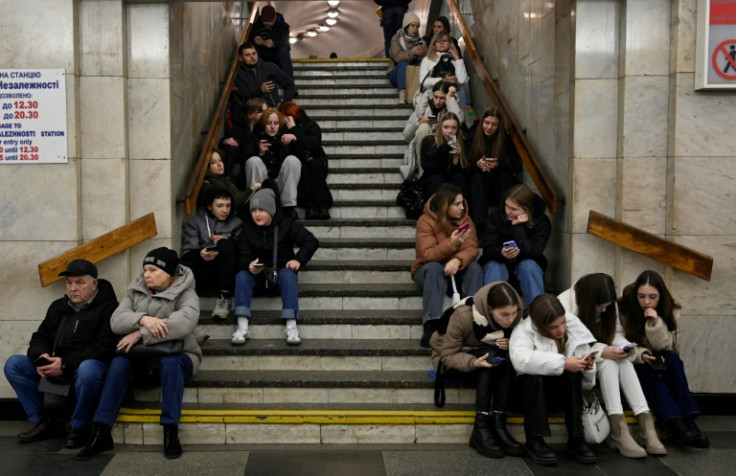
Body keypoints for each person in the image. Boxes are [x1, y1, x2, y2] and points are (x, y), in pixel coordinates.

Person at [76, 248, 202, 460]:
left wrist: (139, 334)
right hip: (142, 359)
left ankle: (170, 432)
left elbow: (183, 324)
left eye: (153, 270)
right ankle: (101, 431)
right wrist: (144, 319)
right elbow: (116, 322)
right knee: (119, 363)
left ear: (168, 273)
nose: (146, 275)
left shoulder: (186, 293)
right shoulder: (136, 290)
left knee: (171, 363)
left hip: (182, 355)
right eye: (145, 270)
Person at [4, 260, 118, 449]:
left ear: (94, 284)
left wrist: (64, 364)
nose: (73, 288)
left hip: (86, 368)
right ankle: (44, 421)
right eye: (69, 283)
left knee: (89, 369)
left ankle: (78, 426)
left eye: (79, 283)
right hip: (58, 364)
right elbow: (40, 337)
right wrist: (42, 357)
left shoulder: (109, 308)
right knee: (14, 364)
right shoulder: (58, 306)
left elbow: (103, 347)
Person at [558, 273, 667, 458]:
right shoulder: (563, 305)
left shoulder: (608, 305)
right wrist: (603, 351)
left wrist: (623, 347)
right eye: (600, 307)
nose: (603, 310)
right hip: (577, 365)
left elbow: (614, 332)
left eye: (607, 306)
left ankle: (646, 425)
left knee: (622, 360)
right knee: (609, 362)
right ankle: (619, 431)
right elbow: (570, 347)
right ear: (588, 301)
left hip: (600, 357)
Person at [430, 282, 525, 458]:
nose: (511, 320)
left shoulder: (516, 314)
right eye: (504, 315)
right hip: (453, 361)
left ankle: (498, 423)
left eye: (514, 313)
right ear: (489, 309)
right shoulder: (464, 315)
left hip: (486, 359)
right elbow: (447, 356)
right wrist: (474, 362)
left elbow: (525, 343)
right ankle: (480, 427)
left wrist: (513, 343)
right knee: (490, 356)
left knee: (504, 357)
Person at [618, 270, 710, 448]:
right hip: (634, 358)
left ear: (661, 296)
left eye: (652, 297)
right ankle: (675, 424)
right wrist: (642, 354)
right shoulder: (625, 308)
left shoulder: (671, 309)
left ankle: (689, 421)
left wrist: (655, 324)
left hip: (660, 354)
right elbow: (619, 341)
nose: (646, 302)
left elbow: (665, 346)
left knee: (672, 360)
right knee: (644, 368)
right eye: (641, 296)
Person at [509, 294, 598, 466]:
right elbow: (521, 360)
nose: (561, 330)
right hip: (527, 397)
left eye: (563, 323)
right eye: (554, 327)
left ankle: (576, 438)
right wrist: (564, 363)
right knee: (533, 377)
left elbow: (586, 383)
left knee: (573, 376)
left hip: (558, 393)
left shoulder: (571, 324)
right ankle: (534, 439)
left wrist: (585, 366)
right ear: (541, 326)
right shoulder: (523, 330)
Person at [232, 188, 319, 346]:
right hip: (257, 277)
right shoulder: (247, 228)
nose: (257, 214)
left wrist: (298, 260)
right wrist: (248, 265)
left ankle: (291, 325)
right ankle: (242, 326)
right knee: (242, 276)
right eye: (254, 210)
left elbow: (311, 241)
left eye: (262, 210)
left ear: (271, 210)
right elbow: (241, 254)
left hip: (280, 275)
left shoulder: (286, 224)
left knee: (288, 274)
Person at [411, 183, 483, 347]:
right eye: (456, 204)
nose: (461, 208)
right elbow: (427, 255)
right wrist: (451, 243)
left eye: (462, 203)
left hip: (456, 268)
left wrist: (457, 259)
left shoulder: (466, 220)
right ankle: (432, 324)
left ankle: (472, 319)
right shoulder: (426, 221)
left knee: (475, 269)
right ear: (445, 206)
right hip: (428, 269)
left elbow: (472, 248)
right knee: (435, 268)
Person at [479, 184, 550, 308]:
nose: (507, 211)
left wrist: (517, 227)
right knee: (495, 266)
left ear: (527, 210)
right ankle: (492, 312)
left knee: (529, 265)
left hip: (525, 268)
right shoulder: (496, 217)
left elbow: (534, 252)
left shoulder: (541, 222)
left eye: (513, 209)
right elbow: (488, 248)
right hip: (498, 264)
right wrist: (501, 252)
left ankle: (537, 314)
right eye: (506, 205)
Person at [182, 187, 244, 320]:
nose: (225, 210)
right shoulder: (195, 223)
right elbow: (186, 253)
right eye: (220, 206)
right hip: (205, 269)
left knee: (226, 244)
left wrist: (228, 240)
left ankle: (224, 298)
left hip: (228, 271)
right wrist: (200, 254)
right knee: (185, 265)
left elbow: (245, 249)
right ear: (209, 206)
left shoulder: (237, 223)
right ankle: (185, 305)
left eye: (228, 206)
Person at [278, 101, 333, 220]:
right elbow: (285, 152)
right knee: (303, 165)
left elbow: (313, 145)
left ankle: (322, 205)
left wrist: (294, 130)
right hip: (300, 162)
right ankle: (309, 205)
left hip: (317, 160)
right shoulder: (283, 130)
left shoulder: (311, 125)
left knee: (314, 165)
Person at [468, 106, 521, 227]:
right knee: (478, 178)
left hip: (498, 182)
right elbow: (465, 164)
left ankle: (504, 222)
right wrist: (477, 164)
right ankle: (480, 225)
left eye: (494, 124)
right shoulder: (473, 135)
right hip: (479, 182)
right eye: (486, 123)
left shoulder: (505, 139)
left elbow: (514, 165)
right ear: (482, 122)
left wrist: (498, 165)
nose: (489, 127)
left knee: (504, 178)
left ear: (499, 126)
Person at [244, 108, 302, 219]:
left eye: (276, 123)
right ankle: (256, 203)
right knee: (253, 160)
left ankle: (288, 207)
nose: (272, 127)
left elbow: (301, 156)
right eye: (269, 123)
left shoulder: (285, 136)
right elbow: (244, 160)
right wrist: (259, 152)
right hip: (262, 182)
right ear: (263, 124)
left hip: (280, 184)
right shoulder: (254, 137)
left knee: (292, 160)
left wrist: (294, 137)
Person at [418, 112, 471, 203]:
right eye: (446, 127)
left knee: (458, 177)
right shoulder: (429, 141)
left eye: (453, 128)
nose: (449, 131)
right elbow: (430, 169)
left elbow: (460, 173)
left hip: (449, 182)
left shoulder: (461, 143)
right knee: (438, 178)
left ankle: (462, 211)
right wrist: (444, 148)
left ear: (458, 129)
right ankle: (433, 212)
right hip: (432, 182)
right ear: (440, 128)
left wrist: (456, 157)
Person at [196, 148, 260, 216]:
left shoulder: (221, 179)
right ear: (206, 167)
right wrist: (250, 190)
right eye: (213, 163)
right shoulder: (207, 184)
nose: (219, 164)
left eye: (220, 160)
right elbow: (231, 203)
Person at [221, 97, 268, 187]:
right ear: (252, 114)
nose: (266, 115)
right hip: (240, 168)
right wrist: (225, 141)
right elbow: (226, 141)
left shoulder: (261, 130)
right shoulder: (240, 127)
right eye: (262, 112)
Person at [234, 42, 295, 108]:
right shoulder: (239, 75)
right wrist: (260, 91)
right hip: (254, 112)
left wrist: (285, 104)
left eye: (254, 53)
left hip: (273, 110)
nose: (252, 57)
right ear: (241, 58)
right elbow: (244, 97)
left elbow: (289, 84)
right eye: (247, 55)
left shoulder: (270, 67)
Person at [418, 31, 469, 107]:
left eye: (445, 41)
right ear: (434, 44)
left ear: (449, 43)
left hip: (452, 91)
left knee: (461, 90)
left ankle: (463, 116)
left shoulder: (454, 60)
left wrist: (458, 59)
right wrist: (443, 80)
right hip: (434, 90)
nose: (441, 43)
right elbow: (423, 82)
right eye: (438, 41)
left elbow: (462, 80)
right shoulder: (427, 60)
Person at [388, 12, 427, 102]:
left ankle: (421, 92)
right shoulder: (396, 38)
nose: (415, 29)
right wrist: (412, 52)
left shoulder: (420, 41)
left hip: (413, 72)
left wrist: (422, 52)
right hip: (397, 72)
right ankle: (402, 93)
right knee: (403, 64)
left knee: (422, 64)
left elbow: (426, 60)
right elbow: (397, 57)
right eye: (412, 26)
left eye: (417, 26)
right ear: (406, 26)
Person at [249, 6, 294, 80]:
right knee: (252, 50)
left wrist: (274, 43)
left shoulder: (283, 27)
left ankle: (289, 81)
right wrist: (254, 39)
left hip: (277, 55)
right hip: (261, 55)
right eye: (265, 23)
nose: (267, 24)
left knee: (284, 51)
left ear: (275, 18)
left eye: (269, 22)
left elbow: (286, 44)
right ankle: (253, 79)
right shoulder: (256, 26)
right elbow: (248, 40)